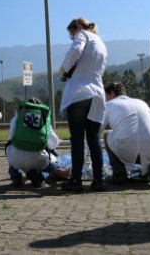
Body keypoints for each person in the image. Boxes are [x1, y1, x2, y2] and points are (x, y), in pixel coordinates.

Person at [59, 18, 107, 192]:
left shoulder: (82, 34)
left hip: (79, 93)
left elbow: (75, 50)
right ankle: (98, 180)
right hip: (97, 94)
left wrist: (64, 68)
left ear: (77, 27)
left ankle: (76, 181)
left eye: (71, 33)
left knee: (77, 140)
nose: (72, 37)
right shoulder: (100, 41)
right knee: (94, 140)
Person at [102, 82, 150, 188]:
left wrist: (85, 155)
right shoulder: (141, 103)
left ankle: (119, 173)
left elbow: (95, 132)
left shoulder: (109, 105)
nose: (105, 100)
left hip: (129, 153)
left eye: (106, 97)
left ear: (112, 94)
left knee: (107, 135)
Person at [6, 98, 60, 188]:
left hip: (16, 160)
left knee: (10, 149)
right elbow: (54, 143)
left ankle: (15, 176)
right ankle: (39, 176)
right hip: (38, 160)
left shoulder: (16, 119)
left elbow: (12, 138)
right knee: (53, 163)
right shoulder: (44, 119)